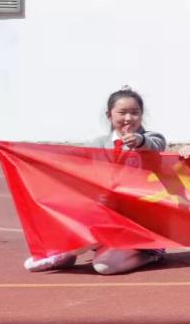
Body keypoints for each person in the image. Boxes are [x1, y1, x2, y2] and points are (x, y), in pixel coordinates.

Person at [19, 88, 169, 275]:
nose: (129, 118)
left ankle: (152, 253)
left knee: (104, 267)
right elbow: (67, 164)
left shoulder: (152, 139)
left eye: (135, 113)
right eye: (122, 113)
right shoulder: (97, 144)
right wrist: (14, 153)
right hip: (107, 216)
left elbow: (156, 145)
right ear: (109, 115)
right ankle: (65, 254)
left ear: (141, 114)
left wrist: (139, 140)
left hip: (139, 221)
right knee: (81, 219)